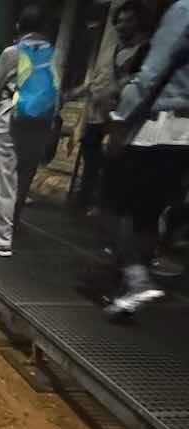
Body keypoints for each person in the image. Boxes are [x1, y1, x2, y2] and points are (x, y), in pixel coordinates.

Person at [103, 0, 189, 318]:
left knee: (113, 206)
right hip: (183, 134)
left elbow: (151, 73)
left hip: (157, 127)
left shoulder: (182, 11)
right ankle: (133, 283)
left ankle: (136, 279)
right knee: (148, 213)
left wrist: (119, 120)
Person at [0, 5, 59, 257]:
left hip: (9, 121)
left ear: (19, 26)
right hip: (38, 125)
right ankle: (12, 227)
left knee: (1, 181)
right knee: (22, 180)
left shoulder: (13, 53)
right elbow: (57, 92)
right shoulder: (51, 54)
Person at [66, 1, 150, 217]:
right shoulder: (111, 50)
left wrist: (117, 88)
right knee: (91, 162)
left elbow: (143, 82)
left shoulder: (144, 51)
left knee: (113, 167)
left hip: (121, 119)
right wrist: (77, 92)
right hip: (97, 116)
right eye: (119, 21)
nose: (122, 26)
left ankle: (104, 209)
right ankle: (85, 203)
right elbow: (97, 80)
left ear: (139, 22)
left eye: (128, 20)